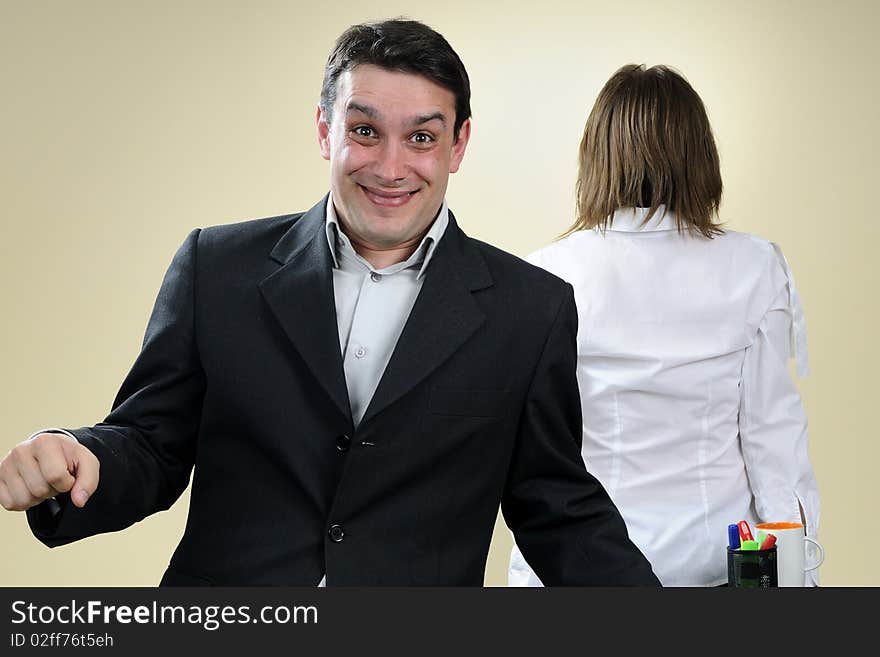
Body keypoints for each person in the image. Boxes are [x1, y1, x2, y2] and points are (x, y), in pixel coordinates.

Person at [0, 20, 659, 586]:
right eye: (365, 130)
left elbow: (558, 509)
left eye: (422, 138)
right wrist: (75, 455)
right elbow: (150, 443)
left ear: (458, 145)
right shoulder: (216, 267)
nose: (391, 166)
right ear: (325, 129)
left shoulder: (531, 310)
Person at [508, 64, 820, 587]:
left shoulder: (543, 274)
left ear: (597, 155)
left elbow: (530, 457)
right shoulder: (754, 266)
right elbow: (774, 445)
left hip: (573, 568)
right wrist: (798, 576)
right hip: (716, 569)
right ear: (700, 154)